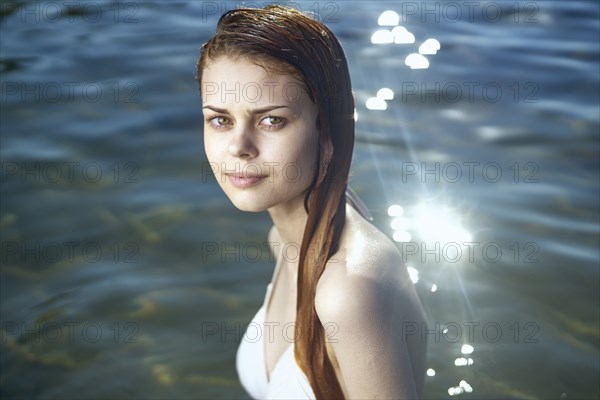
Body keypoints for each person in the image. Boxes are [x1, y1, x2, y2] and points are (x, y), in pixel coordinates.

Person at [196, 5, 427, 399]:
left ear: (327, 127)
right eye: (220, 119)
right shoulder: (286, 238)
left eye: (272, 120)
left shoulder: (350, 291)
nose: (239, 147)